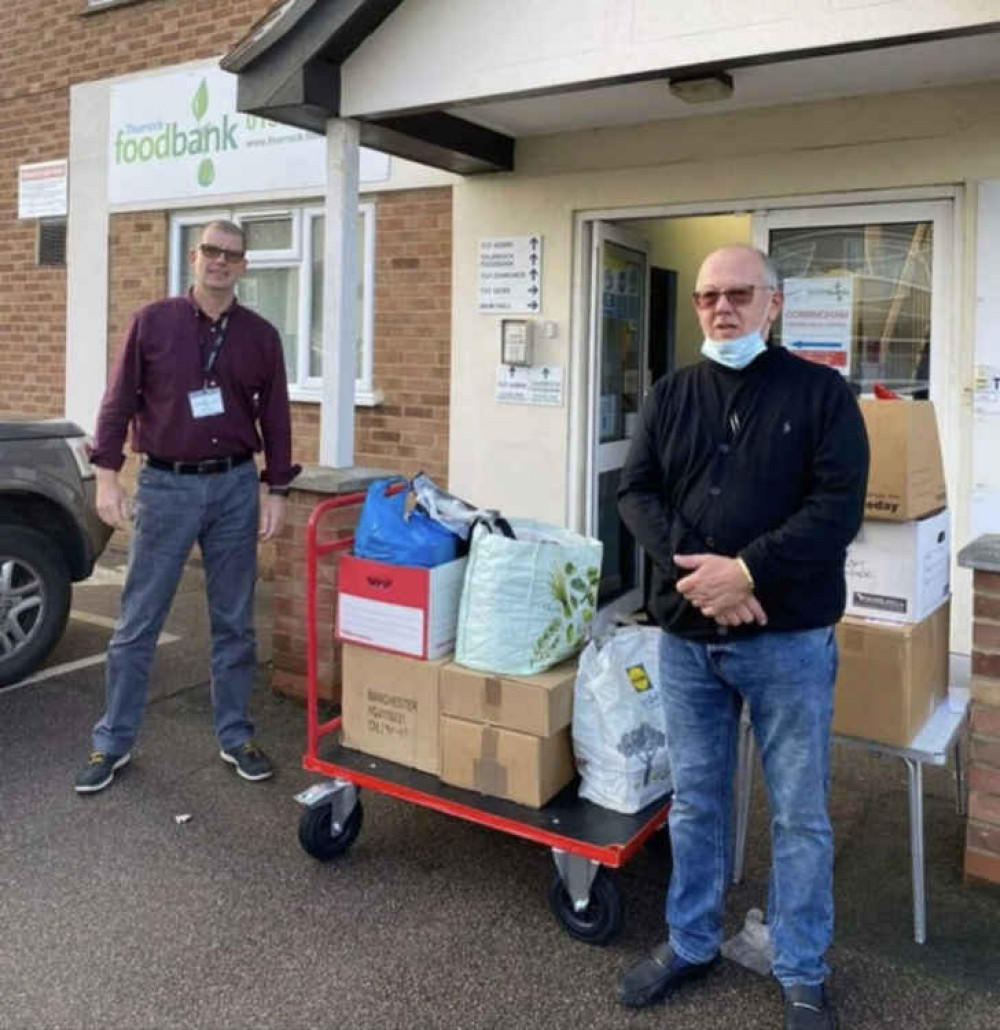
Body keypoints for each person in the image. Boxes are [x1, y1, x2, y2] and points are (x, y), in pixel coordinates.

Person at [616, 245, 869, 1029]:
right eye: (707, 297)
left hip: (787, 640)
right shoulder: (671, 394)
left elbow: (836, 509)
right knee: (695, 803)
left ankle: (801, 967)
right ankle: (690, 941)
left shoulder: (822, 395)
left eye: (738, 294)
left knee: (799, 810)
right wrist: (703, 578)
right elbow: (638, 492)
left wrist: (747, 573)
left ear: (774, 303)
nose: (721, 308)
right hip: (687, 637)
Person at [75, 220, 300, 794]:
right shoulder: (153, 322)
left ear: (244, 265)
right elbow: (118, 400)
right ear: (193, 258)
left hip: (233, 488)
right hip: (166, 486)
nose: (220, 262)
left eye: (232, 255)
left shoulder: (260, 336)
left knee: (234, 623)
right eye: (210, 252)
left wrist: (276, 489)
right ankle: (112, 742)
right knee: (138, 621)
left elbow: (275, 417)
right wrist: (107, 479)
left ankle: (235, 734)